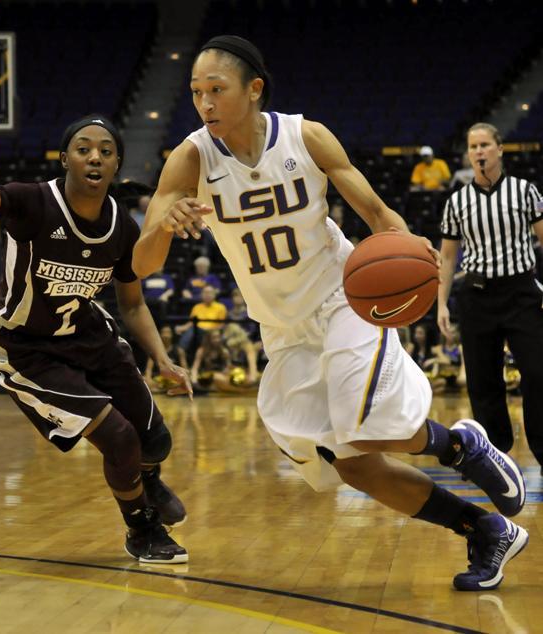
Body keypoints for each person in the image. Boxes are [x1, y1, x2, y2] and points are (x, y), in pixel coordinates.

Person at [132, 35, 528, 590]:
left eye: (216, 90)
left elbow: (376, 212)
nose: (205, 104)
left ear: (253, 89)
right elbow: (142, 264)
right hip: (282, 329)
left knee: (365, 424)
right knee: (352, 465)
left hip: (345, 299)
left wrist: (413, 261)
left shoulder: (305, 135)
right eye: (197, 93)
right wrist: (164, 223)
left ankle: (461, 447)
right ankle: (485, 529)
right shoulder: (190, 157)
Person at [0, 94, 190, 564]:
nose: (95, 156)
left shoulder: (123, 228)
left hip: (89, 333)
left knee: (156, 440)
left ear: (116, 165)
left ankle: (147, 480)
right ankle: (141, 530)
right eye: (84, 148)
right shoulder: (30, 201)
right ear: (64, 157)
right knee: (119, 438)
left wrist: (163, 358)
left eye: (106, 151)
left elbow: (131, 304)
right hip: (25, 345)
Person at [438, 121, 543, 475]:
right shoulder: (457, 201)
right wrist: (441, 303)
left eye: (485, 145)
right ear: (468, 155)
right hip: (477, 296)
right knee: (483, 381)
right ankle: (497, 454)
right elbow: (449, 257)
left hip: (521, 293)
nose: (479, 152)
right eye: (473, 147)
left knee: (537, 371)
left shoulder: (525, 192)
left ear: (500, 149)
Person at [175, 284, 227, 352]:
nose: (207, 295)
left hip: (213, 331)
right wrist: (181, 328)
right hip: (198, 332)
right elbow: (191, 323)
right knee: (189, 329)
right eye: (205, 292)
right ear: (201, 294)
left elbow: (222, 325)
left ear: (214, 295)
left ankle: (181, 349)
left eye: (210, 293)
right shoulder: (196, 307)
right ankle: (181, 351)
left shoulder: (221, 307)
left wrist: (212, 331)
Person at [144, 324, 188, 393]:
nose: (166, 335)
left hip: (174, 381)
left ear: (172, 335)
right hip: (158, 380)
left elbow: (185, 368)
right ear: (160, 335)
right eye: (164, 333)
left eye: (168, 333)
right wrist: (148, 380)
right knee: (144, 380)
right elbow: (148, 370)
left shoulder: (179, 351)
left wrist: (183, 380)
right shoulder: (155, 351)